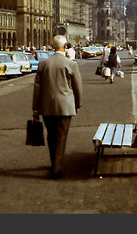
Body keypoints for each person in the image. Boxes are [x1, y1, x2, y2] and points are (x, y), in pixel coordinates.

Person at [33, 35, 83, 179]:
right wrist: (78, 103)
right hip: (65, 106)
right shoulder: (71, 64)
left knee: (51, 136)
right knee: (61, 136)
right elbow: (77, 87)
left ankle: (54, 163)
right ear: (65, 46)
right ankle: (57, 169)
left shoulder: (43, 64)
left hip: (46, 106)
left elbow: (37, 87)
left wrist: (35, 108)